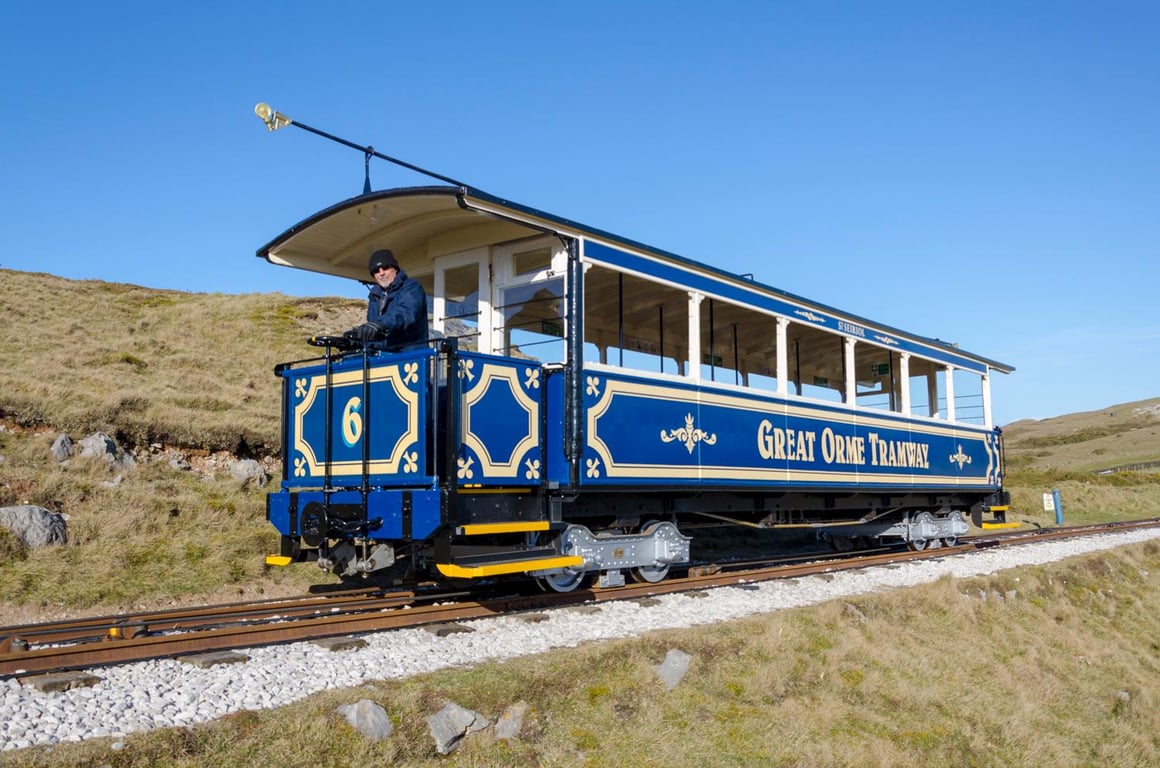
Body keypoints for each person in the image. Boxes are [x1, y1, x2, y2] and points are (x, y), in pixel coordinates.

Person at [344, 249, 429, 348]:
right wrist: (355, 341)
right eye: (376, 270)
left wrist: (380, 324)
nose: (381, 273)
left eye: (385, 268)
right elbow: (376, 335)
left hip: (410, 356)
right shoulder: (374, 296)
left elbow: (405, 313)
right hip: (384, 357)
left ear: (395, 269)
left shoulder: (412, 287)